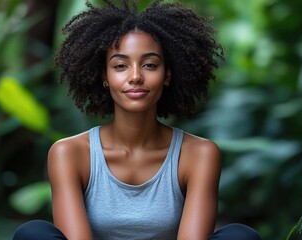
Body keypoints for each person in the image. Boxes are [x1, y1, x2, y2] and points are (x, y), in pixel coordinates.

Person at [13, 0, 261, 239]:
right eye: (120, 66)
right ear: (104, 77)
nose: (135, 77)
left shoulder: (199, 154)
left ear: (167, 75)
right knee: (33, 233)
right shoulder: (69, 153)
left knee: (240, 236)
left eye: (150, 65)